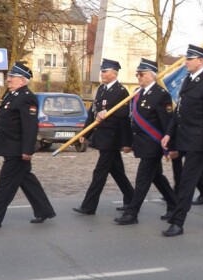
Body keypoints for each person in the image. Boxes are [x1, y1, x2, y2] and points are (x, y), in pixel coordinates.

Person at [161, 44, 203, 237]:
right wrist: (168, 134)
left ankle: (177, 222)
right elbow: (179, 111)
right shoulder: (188, 80)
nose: (186, 62)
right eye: (186, 58)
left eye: (189, 59)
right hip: (184, 138)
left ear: (200, 61)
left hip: (198, 142)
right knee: (202, 180)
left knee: (187, 182)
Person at [0, 62, 56, 228]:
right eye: (9, 76)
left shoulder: (27, 97)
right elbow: (2, 118)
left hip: (17, 149)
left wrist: (27, 150)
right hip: (8, 146)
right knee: (26, 180)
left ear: (23, 80)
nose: (8, 79)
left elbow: (30, 126)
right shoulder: (11, 95)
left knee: (5, 184)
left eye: (12, 77)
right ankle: (44, 210)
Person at [114, 59, 177, 225]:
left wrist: (169, 146)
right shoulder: (137, 93)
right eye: (137, 74)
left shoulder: (162, 95)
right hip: (141, 144)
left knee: (142, 179)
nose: (138, 77)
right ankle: (174, 205)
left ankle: (131, 213)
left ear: (151, 75)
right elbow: (131, 121)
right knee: (157, 177)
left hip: (153, 144)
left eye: (141, 74)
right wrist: (128, 142)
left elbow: (167, 123)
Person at [72, 58, 134, 215]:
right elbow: (93, 113)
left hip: (112, 139)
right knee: (117, 171)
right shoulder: (101, 89)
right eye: (102, 71)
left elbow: (125, 117)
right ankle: (132, 200)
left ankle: (88, 206)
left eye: (105, 71)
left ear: (114, 73)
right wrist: (85, 133)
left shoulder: (121, 92)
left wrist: (127, 142)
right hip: (102, 136)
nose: (102, 74)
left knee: (99, 173)